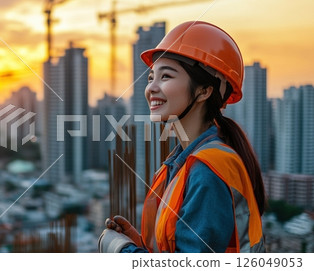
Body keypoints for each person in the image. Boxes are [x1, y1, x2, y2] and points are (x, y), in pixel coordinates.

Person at [98, 21, 266, 253]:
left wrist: (121, 251)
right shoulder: (181, 164)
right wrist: (140, 245)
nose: (151, 88)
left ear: (204, 91)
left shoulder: (208, 171)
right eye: (150, 78)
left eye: (165, 77)